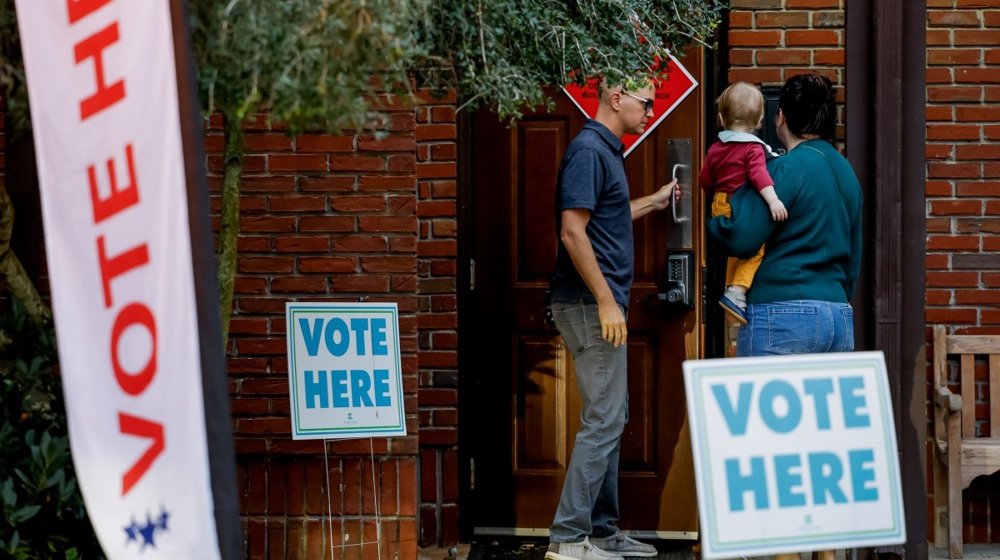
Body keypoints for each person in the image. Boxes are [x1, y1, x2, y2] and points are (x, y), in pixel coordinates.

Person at [707, 73, 863, 560]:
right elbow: (854, 257)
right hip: (837, 313)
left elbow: (741, 235)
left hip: (782, 314)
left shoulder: (789, 169)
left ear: (780, 119)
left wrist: (716, 212)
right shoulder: (846, 174)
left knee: (770, 459)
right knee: (821, 457)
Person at [545, 77, 678, 560]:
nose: (649, 111)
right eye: (646, 102)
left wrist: (654, 201)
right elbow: (572, 231)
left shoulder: (605, 150)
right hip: (587, 304)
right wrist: (605, 300)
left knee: (611, 416)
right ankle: (567, 540)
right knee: (603, 418)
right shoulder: (588, 150)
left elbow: (605, 215)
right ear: (616, 98)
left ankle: (601, 531)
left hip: (596, 303)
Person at [699, 81, 787, 326]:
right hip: (741, 206)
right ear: (760, 120)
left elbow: (705, 179)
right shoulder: (752, 149)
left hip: (720, 204)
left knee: (735, 252)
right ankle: (737, 290)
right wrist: (773, 201)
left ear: (720, 117)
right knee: (755, 248)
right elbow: (759, 176)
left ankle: (732, 291)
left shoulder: (716, 148)